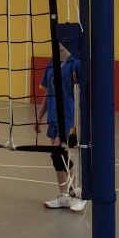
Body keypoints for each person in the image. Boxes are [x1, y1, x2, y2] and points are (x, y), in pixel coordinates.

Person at [35, 39, 86, 212]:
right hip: (53, 117)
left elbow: (83, 93)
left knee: (59, 154)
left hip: (69, 117)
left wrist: (81, 119)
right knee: (57, 157)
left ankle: (79, 193)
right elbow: (48, 94)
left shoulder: (76, 64)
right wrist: (39, 116)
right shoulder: (51, 64)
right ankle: (64, 196)